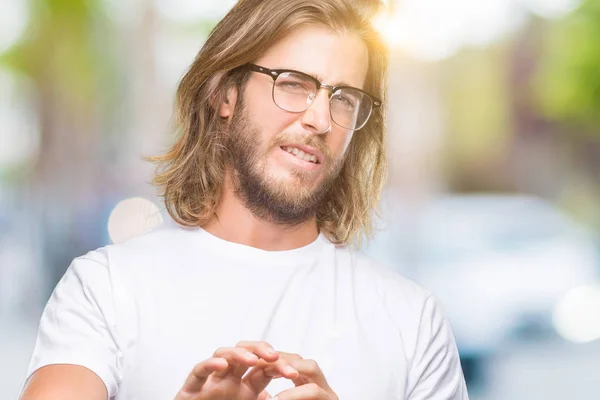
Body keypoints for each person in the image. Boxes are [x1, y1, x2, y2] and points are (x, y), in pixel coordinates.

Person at [20, 0, 468, 399]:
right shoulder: (107, 289)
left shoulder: (412, 322)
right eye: (293, 83)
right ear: (225, 94)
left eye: (345, 98)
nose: (320, 119)